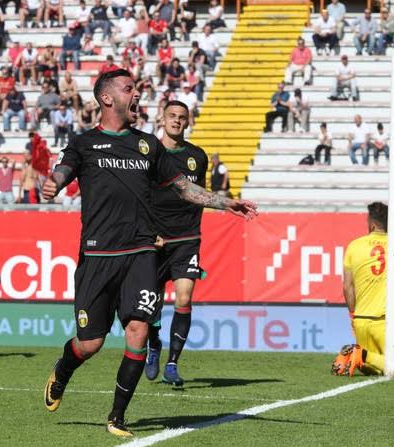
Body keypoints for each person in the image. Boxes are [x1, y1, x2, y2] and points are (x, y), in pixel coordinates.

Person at [40, 69, 257, 437]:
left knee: (138, 331)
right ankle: (62, 370)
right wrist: (55, 183)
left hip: (142, 251)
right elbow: (63, 170)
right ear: (107, 98)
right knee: (90, 343)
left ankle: (117, 416)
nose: (137, 94)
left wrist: (225, 203)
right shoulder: (84, 143)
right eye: (129, 89)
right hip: (98, 257)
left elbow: (184, 188)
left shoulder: (147, 145)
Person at [143, 100, 208, 386]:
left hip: (186, 240)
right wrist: (147, 234)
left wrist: (192, 229)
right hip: (154, 241)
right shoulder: (147, 154)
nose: (177, 121)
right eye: (172, 116)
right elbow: (139, 197)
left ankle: (172, 363)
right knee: (148, 307)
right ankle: (154, 344)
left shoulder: (197, 156)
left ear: (187, 121)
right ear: (162, 118)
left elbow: (200, 196)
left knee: (184, 297)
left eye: (182, 117)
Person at [333, 202, 394, 379]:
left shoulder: (354, 246)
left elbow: (347, 287)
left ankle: (356, 355)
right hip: (385, 322)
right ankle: (362, 354)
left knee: (369, 369)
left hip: (361, 321)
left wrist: (353, 315)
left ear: (371, 223)